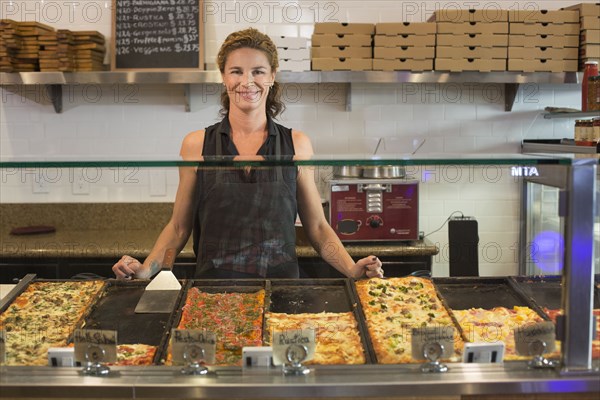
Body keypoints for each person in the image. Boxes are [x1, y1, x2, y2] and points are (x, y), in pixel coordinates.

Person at [112, 28, 383, 280]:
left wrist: (351, 268)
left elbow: (318, 228)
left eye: (258, 71)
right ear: (223, 76)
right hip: (214, 295)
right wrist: (146, 270)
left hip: (281, 292)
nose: (247, 81)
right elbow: (178, 228)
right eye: (236, 71)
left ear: (272, 75)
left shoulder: (297, 144)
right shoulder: (197, 144)